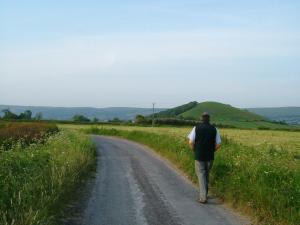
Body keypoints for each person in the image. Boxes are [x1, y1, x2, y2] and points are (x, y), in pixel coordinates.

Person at [187, 112, 221, 204]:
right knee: (206, 174)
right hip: (210, 156)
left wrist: (195, 150)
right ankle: (205, 194)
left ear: (201, 119)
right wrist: (212, 150)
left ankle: (203, 197)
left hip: (199, 155)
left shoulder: (196, 128)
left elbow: (190, 142)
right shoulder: (215, 129)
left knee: (201, 175)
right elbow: (218, 144)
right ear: (209, 119)